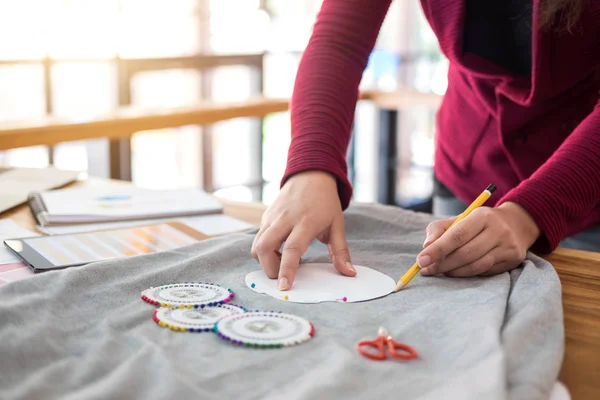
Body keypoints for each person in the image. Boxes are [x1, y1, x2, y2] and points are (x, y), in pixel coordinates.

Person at [251, 0, 600, 291]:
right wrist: (312, 166)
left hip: (588, 187)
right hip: (470, 165)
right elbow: (339, 42)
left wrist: (533, 212)